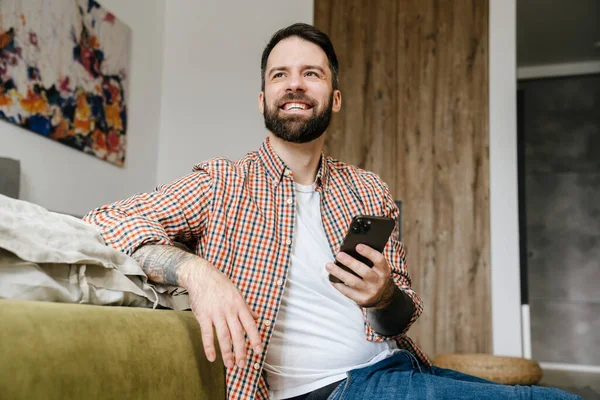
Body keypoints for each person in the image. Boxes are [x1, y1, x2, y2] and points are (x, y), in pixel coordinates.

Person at [84, 23, 580, 400]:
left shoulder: (367, 189)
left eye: (311, 74)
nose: (294, 85)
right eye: (280, 75)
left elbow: (398, 320)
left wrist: (383, 295)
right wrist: (197, 272)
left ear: (334, 98)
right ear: (263, 98)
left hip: (398, 367)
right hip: (330, 389)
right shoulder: (221, 182)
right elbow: (102, 220)